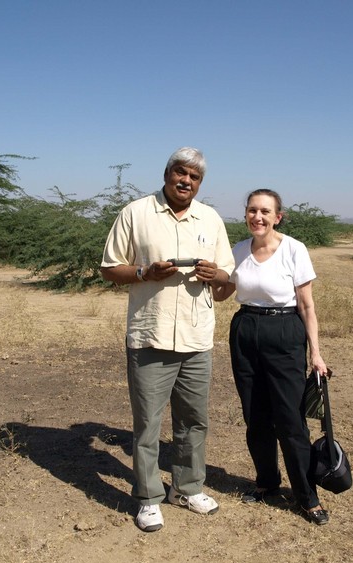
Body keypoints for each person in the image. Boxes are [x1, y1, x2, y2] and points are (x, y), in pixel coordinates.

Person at [100, 147, 234, 533]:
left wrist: (216, 275)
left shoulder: (209, 218)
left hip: (196, 338)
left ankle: (188, 488)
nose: (186, 181)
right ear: (167, 173)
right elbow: (110, 269)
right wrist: (145, 272)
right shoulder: (136, 213)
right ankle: (148, 498)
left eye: (194, 177)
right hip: (150, 335)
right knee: (147, 424)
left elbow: (228, 275)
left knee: (194, 420)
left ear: (200, 183)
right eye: (181, 173)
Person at [213, 189, 330, 525]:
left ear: (278, 216)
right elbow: (224, 294)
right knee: (256, 416)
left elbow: (307, 305)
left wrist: (316, 355)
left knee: (291, 421)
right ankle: (267, 483)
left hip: (284, 331)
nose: (257, 217)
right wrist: (211, 277)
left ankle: (307, 496)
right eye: (252, 211)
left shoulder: (294, 249)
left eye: (265, 211)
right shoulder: (238, 250)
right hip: (245, 330)